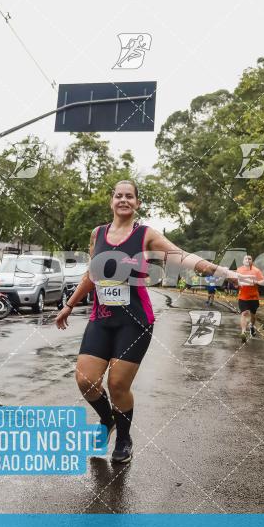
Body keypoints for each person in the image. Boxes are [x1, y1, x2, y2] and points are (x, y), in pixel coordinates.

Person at [55, 180, 240, 464]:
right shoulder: (98, 234)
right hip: (102, 318)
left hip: (135, 321)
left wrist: (223, 271)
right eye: (119, 196)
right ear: (111, 201)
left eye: (130, 196)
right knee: (85, 380)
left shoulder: (146, 235)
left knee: (117, 384)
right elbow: (91, 274)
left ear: (137, 203)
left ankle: (124, 439)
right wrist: (69, 304)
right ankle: (108, 420)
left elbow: (183, 256)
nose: (124, 200)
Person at [236, 253, 264, 342]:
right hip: (242, 296)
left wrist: (256, 281)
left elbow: (263, 281)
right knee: (244, 313)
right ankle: (243, 332)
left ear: (252, 261)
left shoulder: (256, 271)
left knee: (252, 315)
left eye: (249, 259)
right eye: (246, 259)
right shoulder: (239, 270)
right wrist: (237, 284)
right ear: (243, 261)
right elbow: (235, 280)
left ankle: (252, 326)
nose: (247, 260)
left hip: (253, 297)